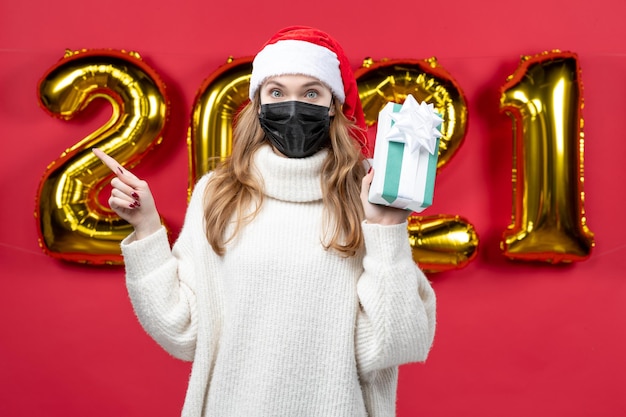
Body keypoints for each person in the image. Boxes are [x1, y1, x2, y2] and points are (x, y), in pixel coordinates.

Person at [94, 25, 436, 417]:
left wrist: (385, 229)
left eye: (311, 92)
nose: (293, 107)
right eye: (277, 92)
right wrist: (147, 228)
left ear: (334, 106)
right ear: (258, 104)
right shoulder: (218, 194)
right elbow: (184, 330)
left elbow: (397, 342)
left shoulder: (366, 192)